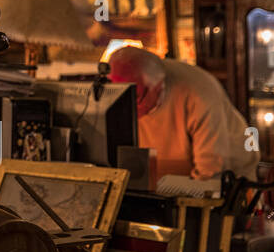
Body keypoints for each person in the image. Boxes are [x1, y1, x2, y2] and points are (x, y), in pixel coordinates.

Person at [108, 46, 259, 181]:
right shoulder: (115, 92)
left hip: (231, 174)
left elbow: (210, 172)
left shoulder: (199, 94)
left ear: (159, 86)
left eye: (137, 99)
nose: (129, 108)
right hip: (166, 179)